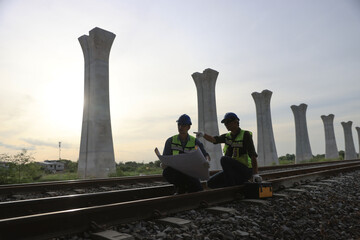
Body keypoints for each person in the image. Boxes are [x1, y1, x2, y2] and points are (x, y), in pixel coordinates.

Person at [194, 112, 262, 188]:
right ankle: (234, 185)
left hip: (245, 170)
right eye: (225, 123)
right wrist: (203, 134)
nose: (226, 124)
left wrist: (255, 174)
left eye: (228, 122)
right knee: (210, 183)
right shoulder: (227, 136)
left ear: (236, 122)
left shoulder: (245, 135)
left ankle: (232, 187)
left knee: (224, 159)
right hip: (234, 170)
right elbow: (214, 139)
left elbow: (253, 155)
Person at [162, 114, 210, 194]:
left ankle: (182, 188)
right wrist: (164, 164)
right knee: (166, 172)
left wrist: (206, 162)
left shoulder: (194, 142)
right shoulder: (170, 141)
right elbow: (165, 158)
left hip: (191, 173)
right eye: (179, 125)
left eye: (183, 125)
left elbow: (206, 155)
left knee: (198, 191)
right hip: (176, 172)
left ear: (189, 127)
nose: (180, 127)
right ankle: (182, 187)